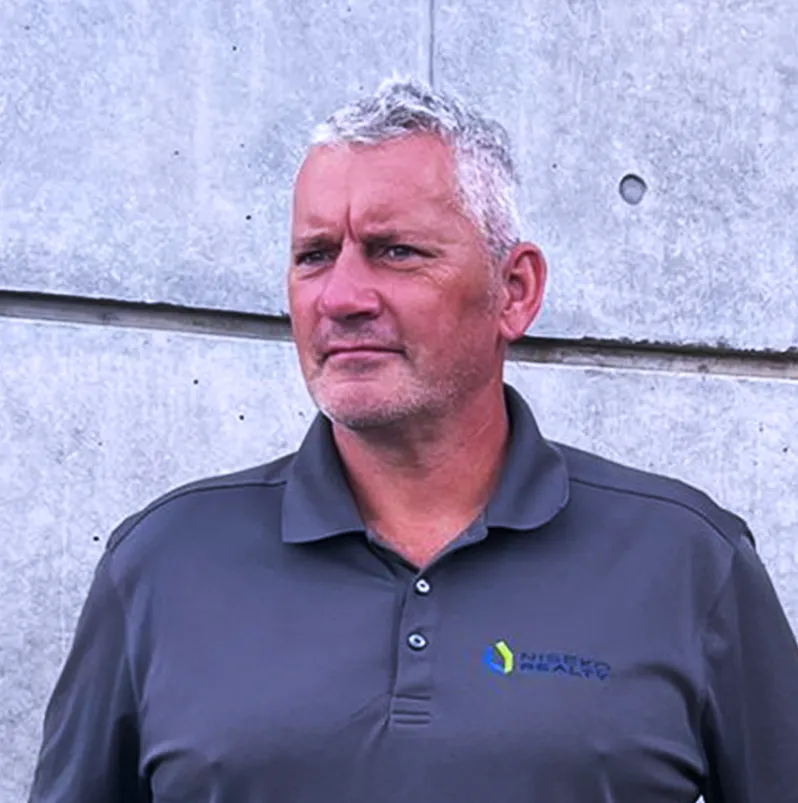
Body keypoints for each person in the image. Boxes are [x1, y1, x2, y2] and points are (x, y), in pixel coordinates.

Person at [28, 77, 798, 803]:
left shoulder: (689, 561)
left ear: (515, 290)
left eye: (396, 251)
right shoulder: (161, 564)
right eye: (314, 255)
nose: (342, 297)